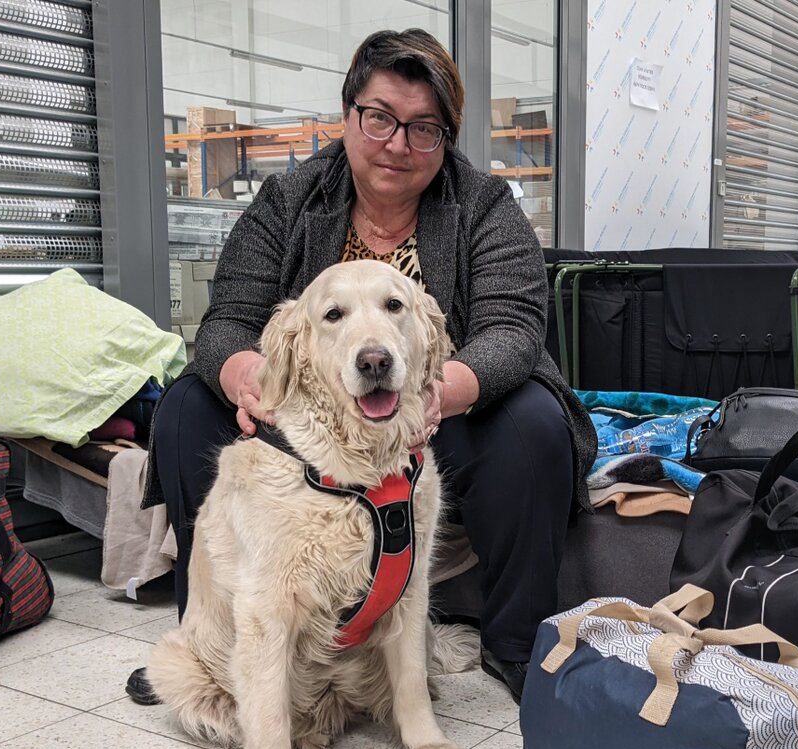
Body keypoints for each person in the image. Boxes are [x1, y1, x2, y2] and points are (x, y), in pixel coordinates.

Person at [127, 28, 595, 706]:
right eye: (379, 118)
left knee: (532, 422)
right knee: (184, 410)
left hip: (435, 415)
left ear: (447, 138)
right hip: (310, 423)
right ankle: (213, 647)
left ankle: (516, 640)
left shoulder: (486, 206)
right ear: (348, 117)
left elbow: (512, 332)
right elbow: (227, 317)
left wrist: (441, 391)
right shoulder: (290, 198)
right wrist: (245, 375)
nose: (397, 144)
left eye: (423, 128)